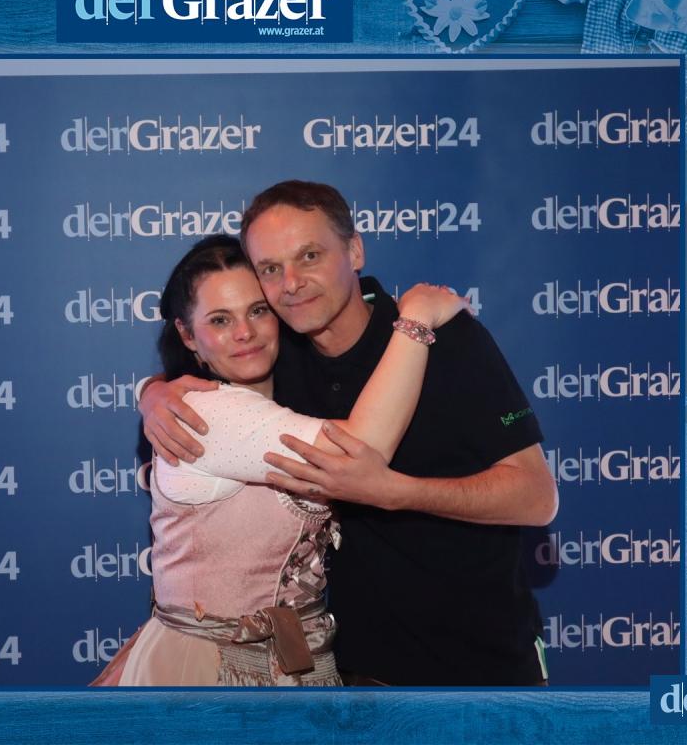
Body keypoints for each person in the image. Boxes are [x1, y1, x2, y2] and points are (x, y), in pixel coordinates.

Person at [140, 180, 558, 686]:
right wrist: (153, 392)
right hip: (356, 671)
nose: (291, 283)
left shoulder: (442, 337)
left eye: (310, 256)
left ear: (355, 251)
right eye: (270, 269)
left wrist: (399, 492)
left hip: (481, 661)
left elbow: (536, 498)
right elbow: (219, 380)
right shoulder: (277, 353)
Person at [94, 234, 470, 686]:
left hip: (297, 661)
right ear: (187, 335)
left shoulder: (285, 389)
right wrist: (417, 319)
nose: (245, 333)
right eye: (220, 320)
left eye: (258, 311)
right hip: (213, 674)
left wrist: (151, 390)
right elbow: (362, 448)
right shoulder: (211, 413)